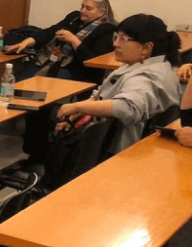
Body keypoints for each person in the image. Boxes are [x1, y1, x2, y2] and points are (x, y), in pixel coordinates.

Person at [53, 14, 182, 155]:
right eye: (116, 37)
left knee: (48, 114)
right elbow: (103, 94)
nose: (115, 44)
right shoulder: (151, 64)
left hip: (114, 149)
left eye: (124, 39)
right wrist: (81, 111)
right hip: (111, 140)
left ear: (146, 48)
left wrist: (77, 106)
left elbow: (127, 107)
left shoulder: (146, 77)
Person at [5, 0, 117, 82]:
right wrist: (27, 41)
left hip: (74, 70)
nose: (82, 11)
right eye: (82, 6)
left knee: (38, 88)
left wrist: (74, 40)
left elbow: (93, 61)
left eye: (88, 8)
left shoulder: (107, 29)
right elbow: (52, 31)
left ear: (101, 12)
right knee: (16, 81)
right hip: (49, 60)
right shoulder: (74, 17)